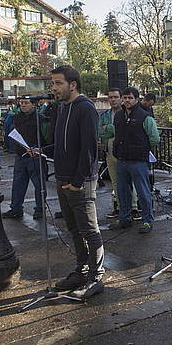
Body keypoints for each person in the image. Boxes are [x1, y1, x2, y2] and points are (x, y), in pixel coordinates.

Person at [38, 65, 104, 300]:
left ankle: (96, 278)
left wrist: (77, 182)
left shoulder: (85, 108)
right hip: (63, 178)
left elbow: (88, 149)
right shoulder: (62, 108)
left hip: (80, 181)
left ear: (72, 84)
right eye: (52, 83)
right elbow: (63, 144)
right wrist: (43, 150)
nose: (53, 88)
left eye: (57, 83)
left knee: (89, 230)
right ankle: (82, 270)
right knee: (74, 229)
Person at [109, 87, 160, 233]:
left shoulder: (145, 117)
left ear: (137, 99)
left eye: (130, 98)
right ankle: (124, 218)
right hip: (122, 159)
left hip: (138, 160)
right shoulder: (119, 116)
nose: (126, 101)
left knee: (143, 191)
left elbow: (155, 138)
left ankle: (147, 221)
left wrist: (141, 149)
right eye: (124, 98)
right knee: (122, 191)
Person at [2, 97, 49, 220]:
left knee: (39, 185)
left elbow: (46, 137)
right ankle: (16, 208)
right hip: (21, 155)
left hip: (35, 155)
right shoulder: (17, 117)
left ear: (33, 105)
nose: (23, 105)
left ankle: (40, 209)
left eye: (26, 103)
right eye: (21, 103)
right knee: (18, 183)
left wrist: (39, 149)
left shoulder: (40, 119)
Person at [98, 87, 123, 219]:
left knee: (127, 181)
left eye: (116, 97)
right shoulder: (105, 115)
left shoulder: (126, 113)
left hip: (124, 152)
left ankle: (134, 207)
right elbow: (100, 132)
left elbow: (123, 131)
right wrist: (113, 131)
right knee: (115, 181)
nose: (113, 100)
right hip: (109, 151)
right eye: (111, 97)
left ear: (121, 98)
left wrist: (108, 127)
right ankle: (119, 207)